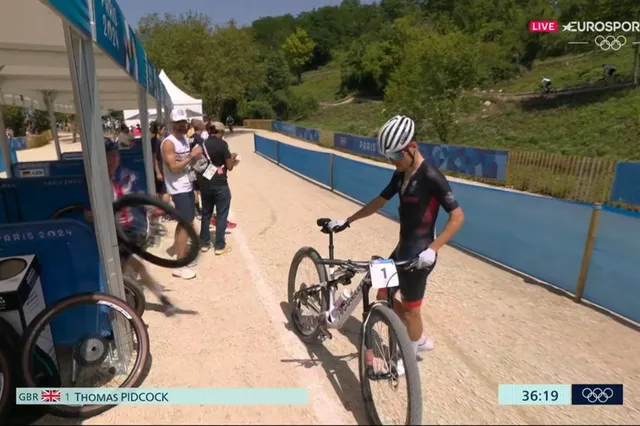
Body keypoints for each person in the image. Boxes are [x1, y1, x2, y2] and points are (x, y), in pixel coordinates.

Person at [326, 115, 464, 359]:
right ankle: (417, 338)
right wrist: (348, 221)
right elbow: (378, 201)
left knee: (411, 311)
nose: (393, 162)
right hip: (403, 248)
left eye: (395, 156)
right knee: (383, 294)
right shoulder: (401, 174)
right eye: (388, 157)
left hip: (420, 254)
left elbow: (457, 217)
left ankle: (407, 356)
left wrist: (433, 249)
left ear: (412, 147)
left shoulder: (431, 176)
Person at [86, 138, 177, 316]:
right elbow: (87, 214)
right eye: (108, 156)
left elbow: (139, 198)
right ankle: (119, 311)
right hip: (108, 233)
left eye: (115, 155)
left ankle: (125, 307)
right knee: (125, 272)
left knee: (132, 269)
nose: (113, 160)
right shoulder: (93, 183)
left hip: (126, 232)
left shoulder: (126, 176)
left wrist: (153, 210)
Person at [161, 108, 203, 280]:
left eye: (183, 122)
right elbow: (173, 167)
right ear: (172, 124)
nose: (181, 126)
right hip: (177, 188)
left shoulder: (185, 140)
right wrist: (190, 156)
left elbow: (185, 164)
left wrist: (194, 159)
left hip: (186, 185)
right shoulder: (169, 143)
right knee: (185, 223)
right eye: (178, 123)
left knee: (188, 221)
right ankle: (180, 263)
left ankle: (182, 252)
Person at [195, 121, 240, 254]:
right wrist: (232, 157)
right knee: (221, 214)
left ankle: (204, 243)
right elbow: (230, 166)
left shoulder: (203, 144)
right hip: (220, 183)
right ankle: (220, 246)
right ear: (220, 132)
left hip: (205, 182)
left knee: (206, 213)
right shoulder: (222, 144)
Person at [150, 121, 171, 209]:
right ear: (158, 130)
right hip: (159, 169)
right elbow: (154, 158)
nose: (165, 131)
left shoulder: (159, 141)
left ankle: (161, 209)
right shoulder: (155, 142)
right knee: (164, 191)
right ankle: (165, 210)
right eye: (164, 129)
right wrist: (158, 172)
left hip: (161, 168)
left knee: (160, 191)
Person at [189, 120, 206, 218]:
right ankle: (202, 210)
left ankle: (196, 209)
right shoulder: (200, 139)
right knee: (201, 189)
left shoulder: (189, 138)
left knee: (194, 188)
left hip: (191, 166)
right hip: (199, 166)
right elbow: (201, 153)